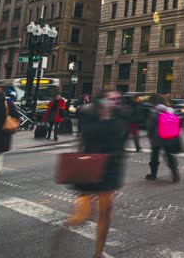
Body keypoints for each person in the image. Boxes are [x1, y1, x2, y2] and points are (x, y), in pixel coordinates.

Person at [63, 90, 126, 258]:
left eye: (117, 99)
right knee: (83, 214)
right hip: (92, 169)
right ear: (101, 102)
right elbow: (90, 139)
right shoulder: (91, 118)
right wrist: (105, 119)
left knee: (105, 214)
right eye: (110, 99)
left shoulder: (119, 117)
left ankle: (98, 253)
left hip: (109, 173)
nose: (114, 102)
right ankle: (66, 229)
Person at [145, 94, 181, 182]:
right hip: (169, 137)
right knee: (169, 156)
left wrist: (149, 135)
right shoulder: (170, 110)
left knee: (154, 156)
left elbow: (150, 125)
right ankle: (175, 175)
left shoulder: (154, 111)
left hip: (157, 138)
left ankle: (153, 175)